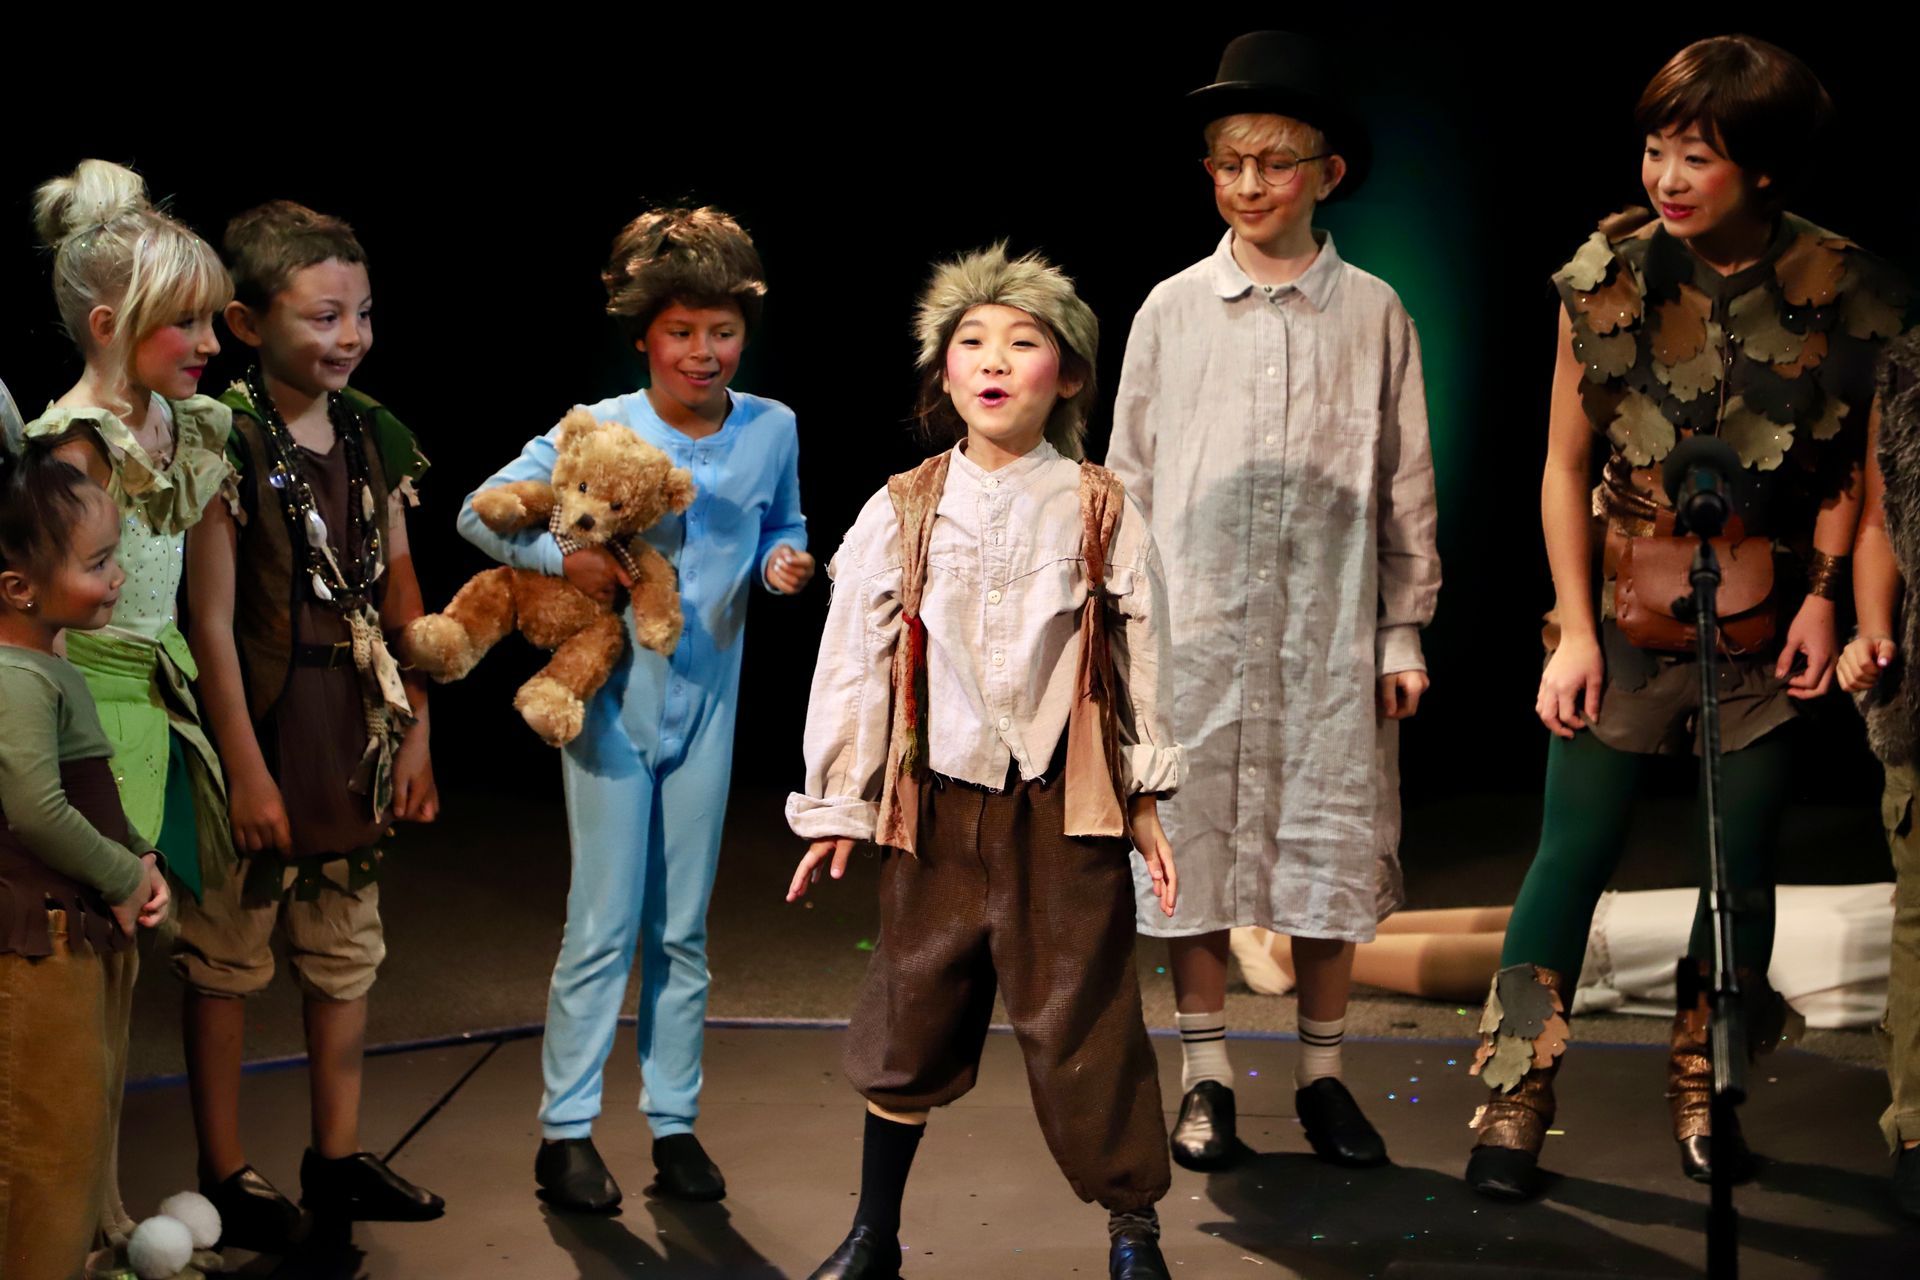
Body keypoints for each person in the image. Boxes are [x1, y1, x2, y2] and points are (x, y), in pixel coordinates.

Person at [1465, 34, 1906, 1202]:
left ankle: (1708, 1088)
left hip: (1764, 611)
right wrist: (1571, 628)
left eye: (1696, 156)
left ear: (1762, 166)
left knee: (1739, 869)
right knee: (1570, 855)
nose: (1667, 176)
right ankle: (1515, 1088)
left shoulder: (1845, 282)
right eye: (1657, 148)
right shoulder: (1606, 274)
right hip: (1619, 602)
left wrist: (1826, 600)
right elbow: (1564, 464)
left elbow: (1856, 468)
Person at [787, 243, 1183, 1280]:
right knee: (910, 1008)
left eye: (1023, 341)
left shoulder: (1099, 504)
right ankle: (873, 1232)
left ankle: (1133, 1228)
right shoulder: (904, 506)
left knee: (1087, 1017)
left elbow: (1140, 660)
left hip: (1061, 806)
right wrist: (838, 804)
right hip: (940, 804)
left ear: (1068, 373)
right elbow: (855, 665)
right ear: (944, 371)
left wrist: (1143, 796)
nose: (995, 359)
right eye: (972, 341)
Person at [1106, 29, 1440, 1172]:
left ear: (1327, 174)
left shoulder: (1375, 312)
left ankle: (1323, 1076)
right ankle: (1205, 1072)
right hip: (1194, 633)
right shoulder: (1171, 309)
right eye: (1230, 163)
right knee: (1192, 847)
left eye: (1276, 162)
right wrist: (1124, 631)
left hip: (1324, 635)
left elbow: (1403, 478)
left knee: (1325, 845)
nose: (1250, 184)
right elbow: (1129, 479)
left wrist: (1401, 628)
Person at [459, 206, 811, 1212]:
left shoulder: (773, 426)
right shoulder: (602, 425)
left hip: (711, 710)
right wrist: (557, 555)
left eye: (722, 331)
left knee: (682, 929)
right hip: (614, 706)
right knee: (604, 922)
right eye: (682, 331)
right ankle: (566, 1133)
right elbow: (477, 509)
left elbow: (782, 522)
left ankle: (673, 1124)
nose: (704, 351)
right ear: (645, 335)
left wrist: (785, 561)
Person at [180, 201, 443, 1246]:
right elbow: (210, 620)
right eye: (324, 316)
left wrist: (417, 727)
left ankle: (336, 1157)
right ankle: (225, 1170)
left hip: (354, 722)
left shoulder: (374, 432)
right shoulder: (223, 437)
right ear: (248, 323)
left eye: (363, 314)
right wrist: (245, 769)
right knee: (228, 956)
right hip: (263, 717)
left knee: (344, 948)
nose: (350, 336)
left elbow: (403, 594)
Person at [18, 157, 235, 1252]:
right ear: (110, 326)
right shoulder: (73, 446)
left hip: (152, 703)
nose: (209, 343)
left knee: (123, 968)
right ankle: (80, 1228)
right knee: (90, 970)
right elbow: (48, 625)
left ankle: (101, 1217)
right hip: (86, 716)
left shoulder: (172, 428)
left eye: (211, 320)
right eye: (184, 323)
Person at [0, 444, 169, 1280]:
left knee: (75, 1143)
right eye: (98, 565)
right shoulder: (14, 678)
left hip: (76, 939)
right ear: (19, 588)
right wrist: (123, 873)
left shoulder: (44, 665)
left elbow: (88, 782)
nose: (116, 580)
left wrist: (140, 853)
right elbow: (38, 809)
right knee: (42, 1158)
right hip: (36, 950)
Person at [1838, 322, 1920, 1219]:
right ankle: (1919, 1128)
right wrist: (1872, 629)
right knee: (1919, 918)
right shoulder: (1907, 369)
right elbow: (1878, 520)